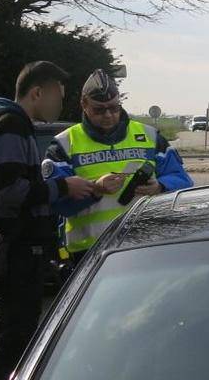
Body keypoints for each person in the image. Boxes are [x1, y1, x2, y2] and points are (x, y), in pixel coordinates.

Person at [0, 61, 95, 380]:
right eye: (58, 92)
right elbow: (9, 191)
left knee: (15, 338)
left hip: (17, 250)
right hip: (15, 252)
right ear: (37, 93)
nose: (62, 101)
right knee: (11, 341)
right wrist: (63, 188)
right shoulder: (10, 125)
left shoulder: (8, 123)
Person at [45, 69, 193, 262]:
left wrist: (160, 186)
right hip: (90, 253)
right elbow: (57, 203)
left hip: (145, 243)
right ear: (84, 104)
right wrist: (95, 189)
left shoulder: (150, 136)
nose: (108, 115)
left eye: (114, 107)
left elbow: (183, 181)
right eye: (99, 109)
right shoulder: (64, 144)